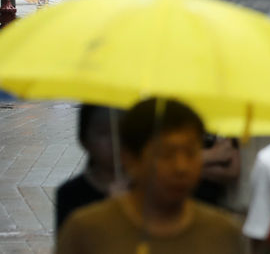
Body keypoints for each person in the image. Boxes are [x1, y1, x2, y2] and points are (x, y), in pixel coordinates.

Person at [56, 98, 244, 254]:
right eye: (166, 154)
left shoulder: (224, 232)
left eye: (191, 153)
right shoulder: (85, 229)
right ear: (130, 158)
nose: (181, 167)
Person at [56, 105, 124, 235]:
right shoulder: (70, 194)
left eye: (122, 132)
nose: (114, 142)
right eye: (103, 133)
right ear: (84, 139)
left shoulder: (145, 189)